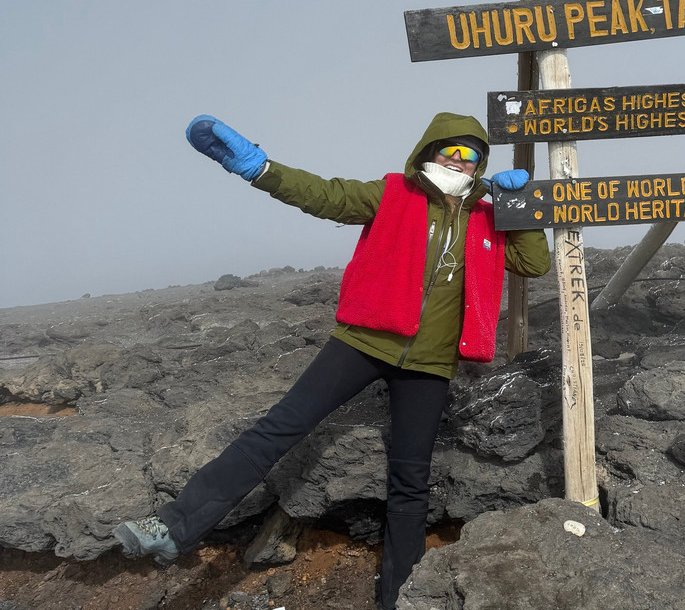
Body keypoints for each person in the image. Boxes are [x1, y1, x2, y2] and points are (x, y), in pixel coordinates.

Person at [112, 112, 550, 609]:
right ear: (428, 151)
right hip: (363, 342)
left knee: (411, 480)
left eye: (471, 155)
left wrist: (521, 206)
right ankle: (172, 526)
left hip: (430, 363)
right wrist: (260, 169)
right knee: (278, 428)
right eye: (450, 150)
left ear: (482, 165)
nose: (459, 160)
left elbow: (534, 264)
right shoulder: (391, 195)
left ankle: (398, 597)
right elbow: (323, 195)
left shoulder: (489, 217)